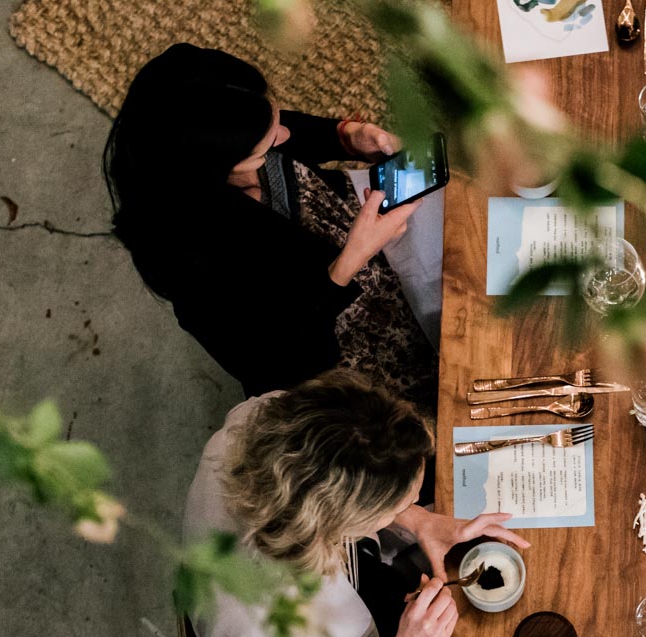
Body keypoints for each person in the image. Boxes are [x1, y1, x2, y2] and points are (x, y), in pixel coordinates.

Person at [184, 370, 527, 637]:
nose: (411, 503)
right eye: (397, 504)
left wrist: (419, 521)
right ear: (335, 520)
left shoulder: (266, 417)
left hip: (359, 585)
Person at [104, 43, 434, 406]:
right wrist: (351, 261)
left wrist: (346, 136)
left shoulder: (223, 129)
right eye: (263, 151)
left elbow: (284, 130)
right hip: (340, 352)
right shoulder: (189, 263)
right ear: (214, 169)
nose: (284, 138)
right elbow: (280, 369)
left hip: (363, 239)